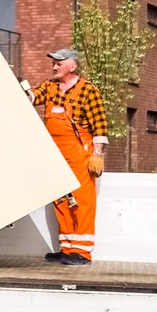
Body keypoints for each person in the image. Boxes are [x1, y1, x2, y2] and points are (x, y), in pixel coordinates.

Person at [27, 48, 108, 265]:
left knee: (82, 201)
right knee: (61, 200)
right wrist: (21, 91)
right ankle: (67, 249)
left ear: (72, 66)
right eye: (53, 63)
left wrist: (97, 154)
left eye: (59, 63)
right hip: (56, 154)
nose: (54, 67)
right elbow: (34, 96)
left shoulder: (88, 91)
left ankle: (82, 253)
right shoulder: (50, 86)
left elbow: (99, 125)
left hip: (80, 154)